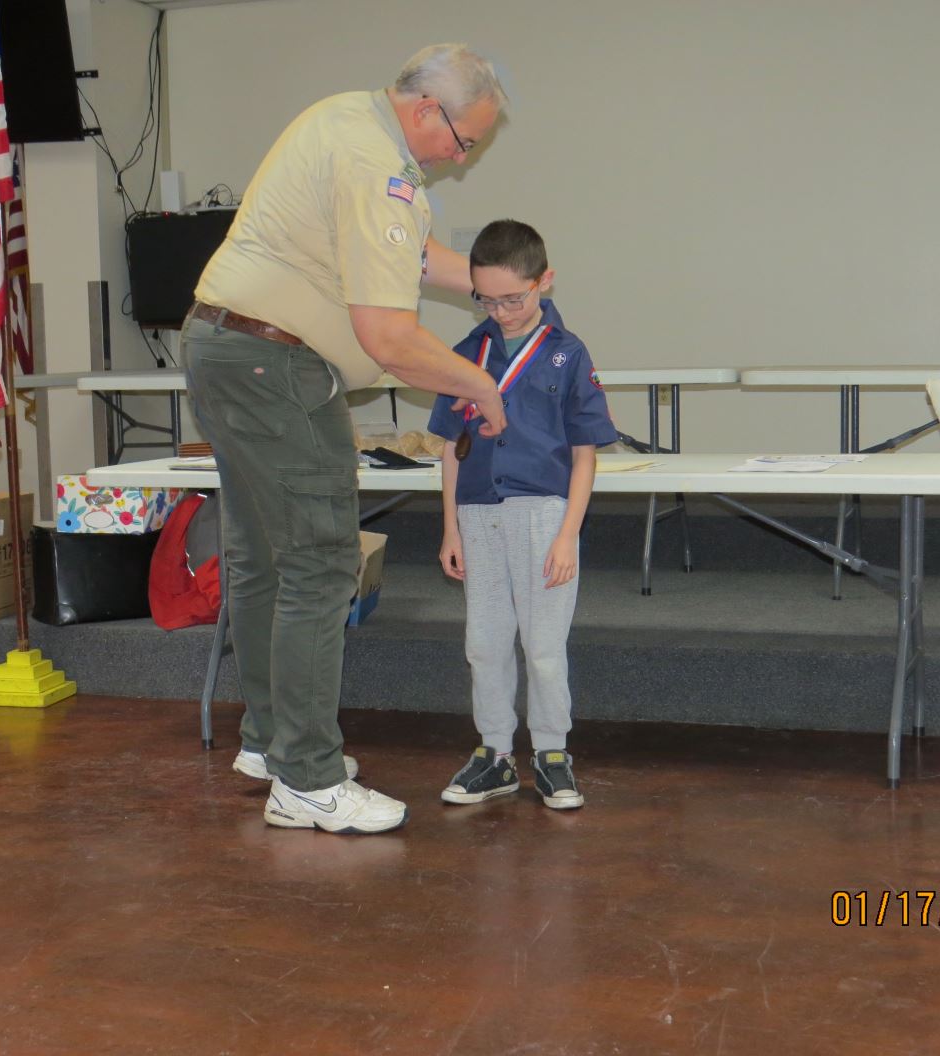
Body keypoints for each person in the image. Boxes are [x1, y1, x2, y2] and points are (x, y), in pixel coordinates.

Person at [182, 45, 509, 835]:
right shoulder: (375, 164)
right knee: (322, 563)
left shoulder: (344, 119)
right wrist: (480, 386)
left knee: (264, 559)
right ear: (427, 109)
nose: (459, 159)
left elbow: (404, 252)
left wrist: (492, 282)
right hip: (276, 367)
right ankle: (308, 779)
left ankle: (270, 744)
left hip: (224, 346)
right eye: (463, 141)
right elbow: (389, 339)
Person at [428, 220, 617, 810]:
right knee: (484, 643)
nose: (502, 312)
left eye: (514, 298)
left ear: (544, 281)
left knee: (543, 647)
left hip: (544, 516)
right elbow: (451, 449)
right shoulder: (467, 353)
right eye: (487, 300)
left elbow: (584, 454)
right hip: (478, 513)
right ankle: (494, 754)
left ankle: (553, 754)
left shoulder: (568, 353)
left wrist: (568, 535)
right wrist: (450, 528)